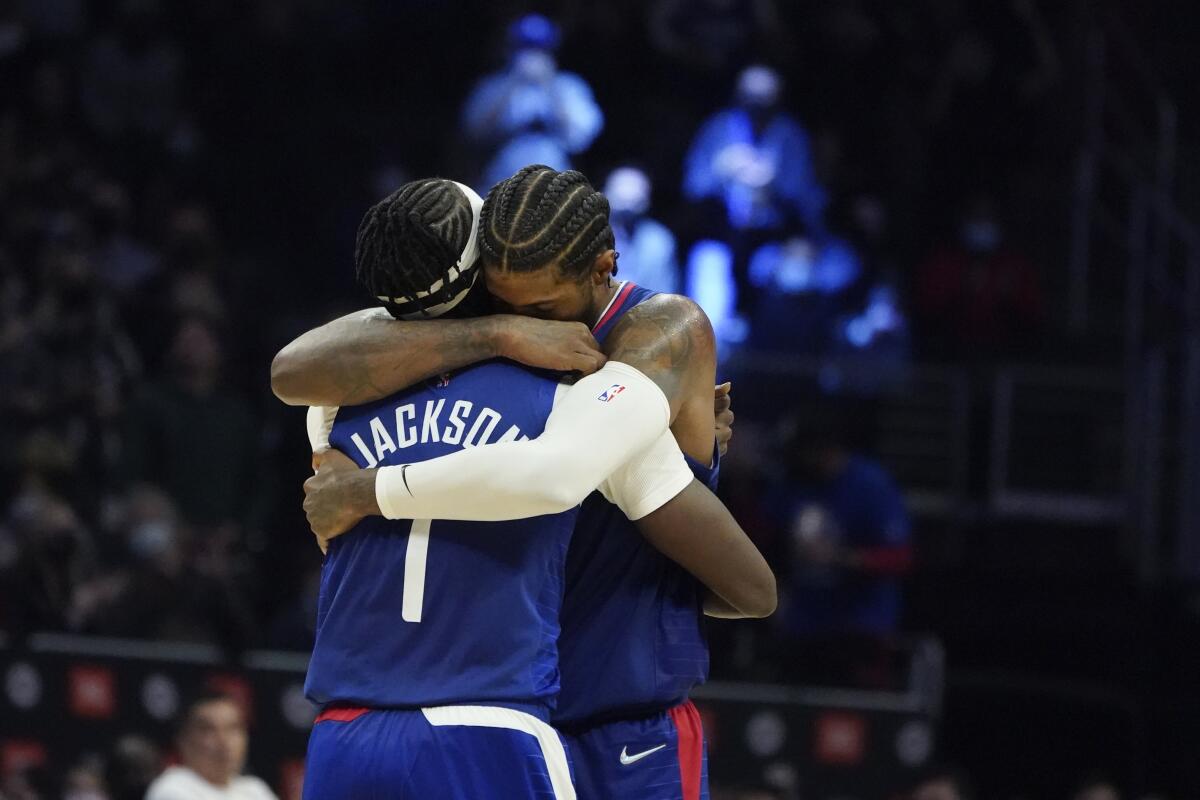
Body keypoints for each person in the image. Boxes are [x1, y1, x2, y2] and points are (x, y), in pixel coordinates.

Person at [274, 167, 769, 798]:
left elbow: (748, 586)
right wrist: (498, 333)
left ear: (601, 269)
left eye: (537, 311)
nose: (522, 322)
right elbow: (294, 370)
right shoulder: (499, 342)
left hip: (622, 716)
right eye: (500, 302)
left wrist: (367, 491)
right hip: (515, 707)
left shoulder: (656, 330)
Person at [765, 408, 912, 688]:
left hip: (858, 627)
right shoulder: (791, 483)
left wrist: (841, 558)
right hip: (803, 624)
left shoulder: (870, 485)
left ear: (824, 449)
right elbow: (761, 535)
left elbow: (900, 558)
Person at [683, 65, 826, 311]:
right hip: (721, 235)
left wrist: (772, 183)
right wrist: (722, 170)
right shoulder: (719, 128)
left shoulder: (790, 135)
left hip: (774, 239)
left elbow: (803, 194)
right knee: (708, 281)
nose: (757, 104)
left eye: (764, 97)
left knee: (795, 278)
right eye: (750, 95)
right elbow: (693, 185)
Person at [461, 15, 603, 189]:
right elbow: (475, 132)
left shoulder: (568, 87)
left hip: (554, 187)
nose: (532, 56)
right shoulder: (494, 86)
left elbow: (583, 137)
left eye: (540, 49)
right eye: (525, 48)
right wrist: (513, 82)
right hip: (501, 184)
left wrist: (548, 83)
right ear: (511, 51)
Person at [145, 692, 276, 800]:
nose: (223, 741)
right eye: (209, 730)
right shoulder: (171, 788)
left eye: (233, 728)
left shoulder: (255, 789)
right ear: (183, 740)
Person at [604, 165, 681, 293]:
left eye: (634, 204)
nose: (626, 216)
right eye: (621, 203)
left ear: (646, 204)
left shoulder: (658, 243)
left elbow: (661, 298)